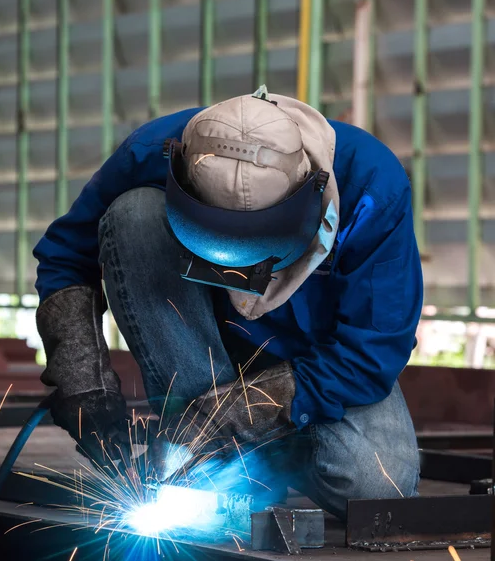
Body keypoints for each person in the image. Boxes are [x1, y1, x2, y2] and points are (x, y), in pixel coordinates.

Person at [33, 87, 423, 520]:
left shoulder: (370, 184)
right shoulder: (153, 150)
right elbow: (66, 254)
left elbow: (372, 349)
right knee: (134, 215)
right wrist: (82, 380)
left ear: (311, 194)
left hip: (313, 363)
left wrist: (236, 415)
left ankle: (250, 452)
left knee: (375, 491)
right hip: (200, 349)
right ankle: (209, 461)